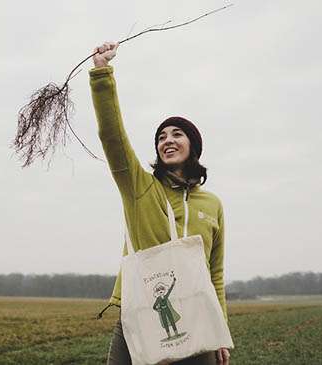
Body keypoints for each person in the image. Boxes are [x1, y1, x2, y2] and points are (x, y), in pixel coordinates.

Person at [89, 42, 231, 365]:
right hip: (139, 321)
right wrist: (101, 74)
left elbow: (216, 274)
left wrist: (220, 330)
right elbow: (112, 137)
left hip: (198, 323)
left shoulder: (212, 204)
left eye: (177, 134)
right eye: (161, 136)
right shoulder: (139, 188)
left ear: (193, 146)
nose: (167, 140)